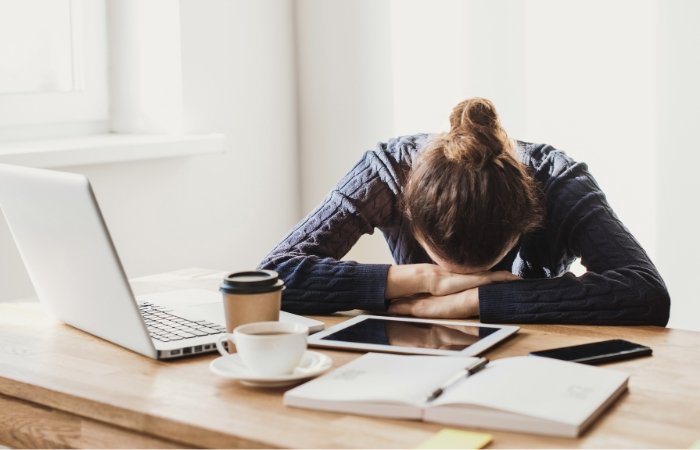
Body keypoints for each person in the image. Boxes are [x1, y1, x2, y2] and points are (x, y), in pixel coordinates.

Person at [259, 98, 670, 325]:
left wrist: (477, 302)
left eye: (478, 273)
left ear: (529, 215)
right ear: (410, 211)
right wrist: (424, 279)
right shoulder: (388, 170)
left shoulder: (557, 179)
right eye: (452, 271)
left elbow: (646, 292)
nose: (462, 281)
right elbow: (270, 277)